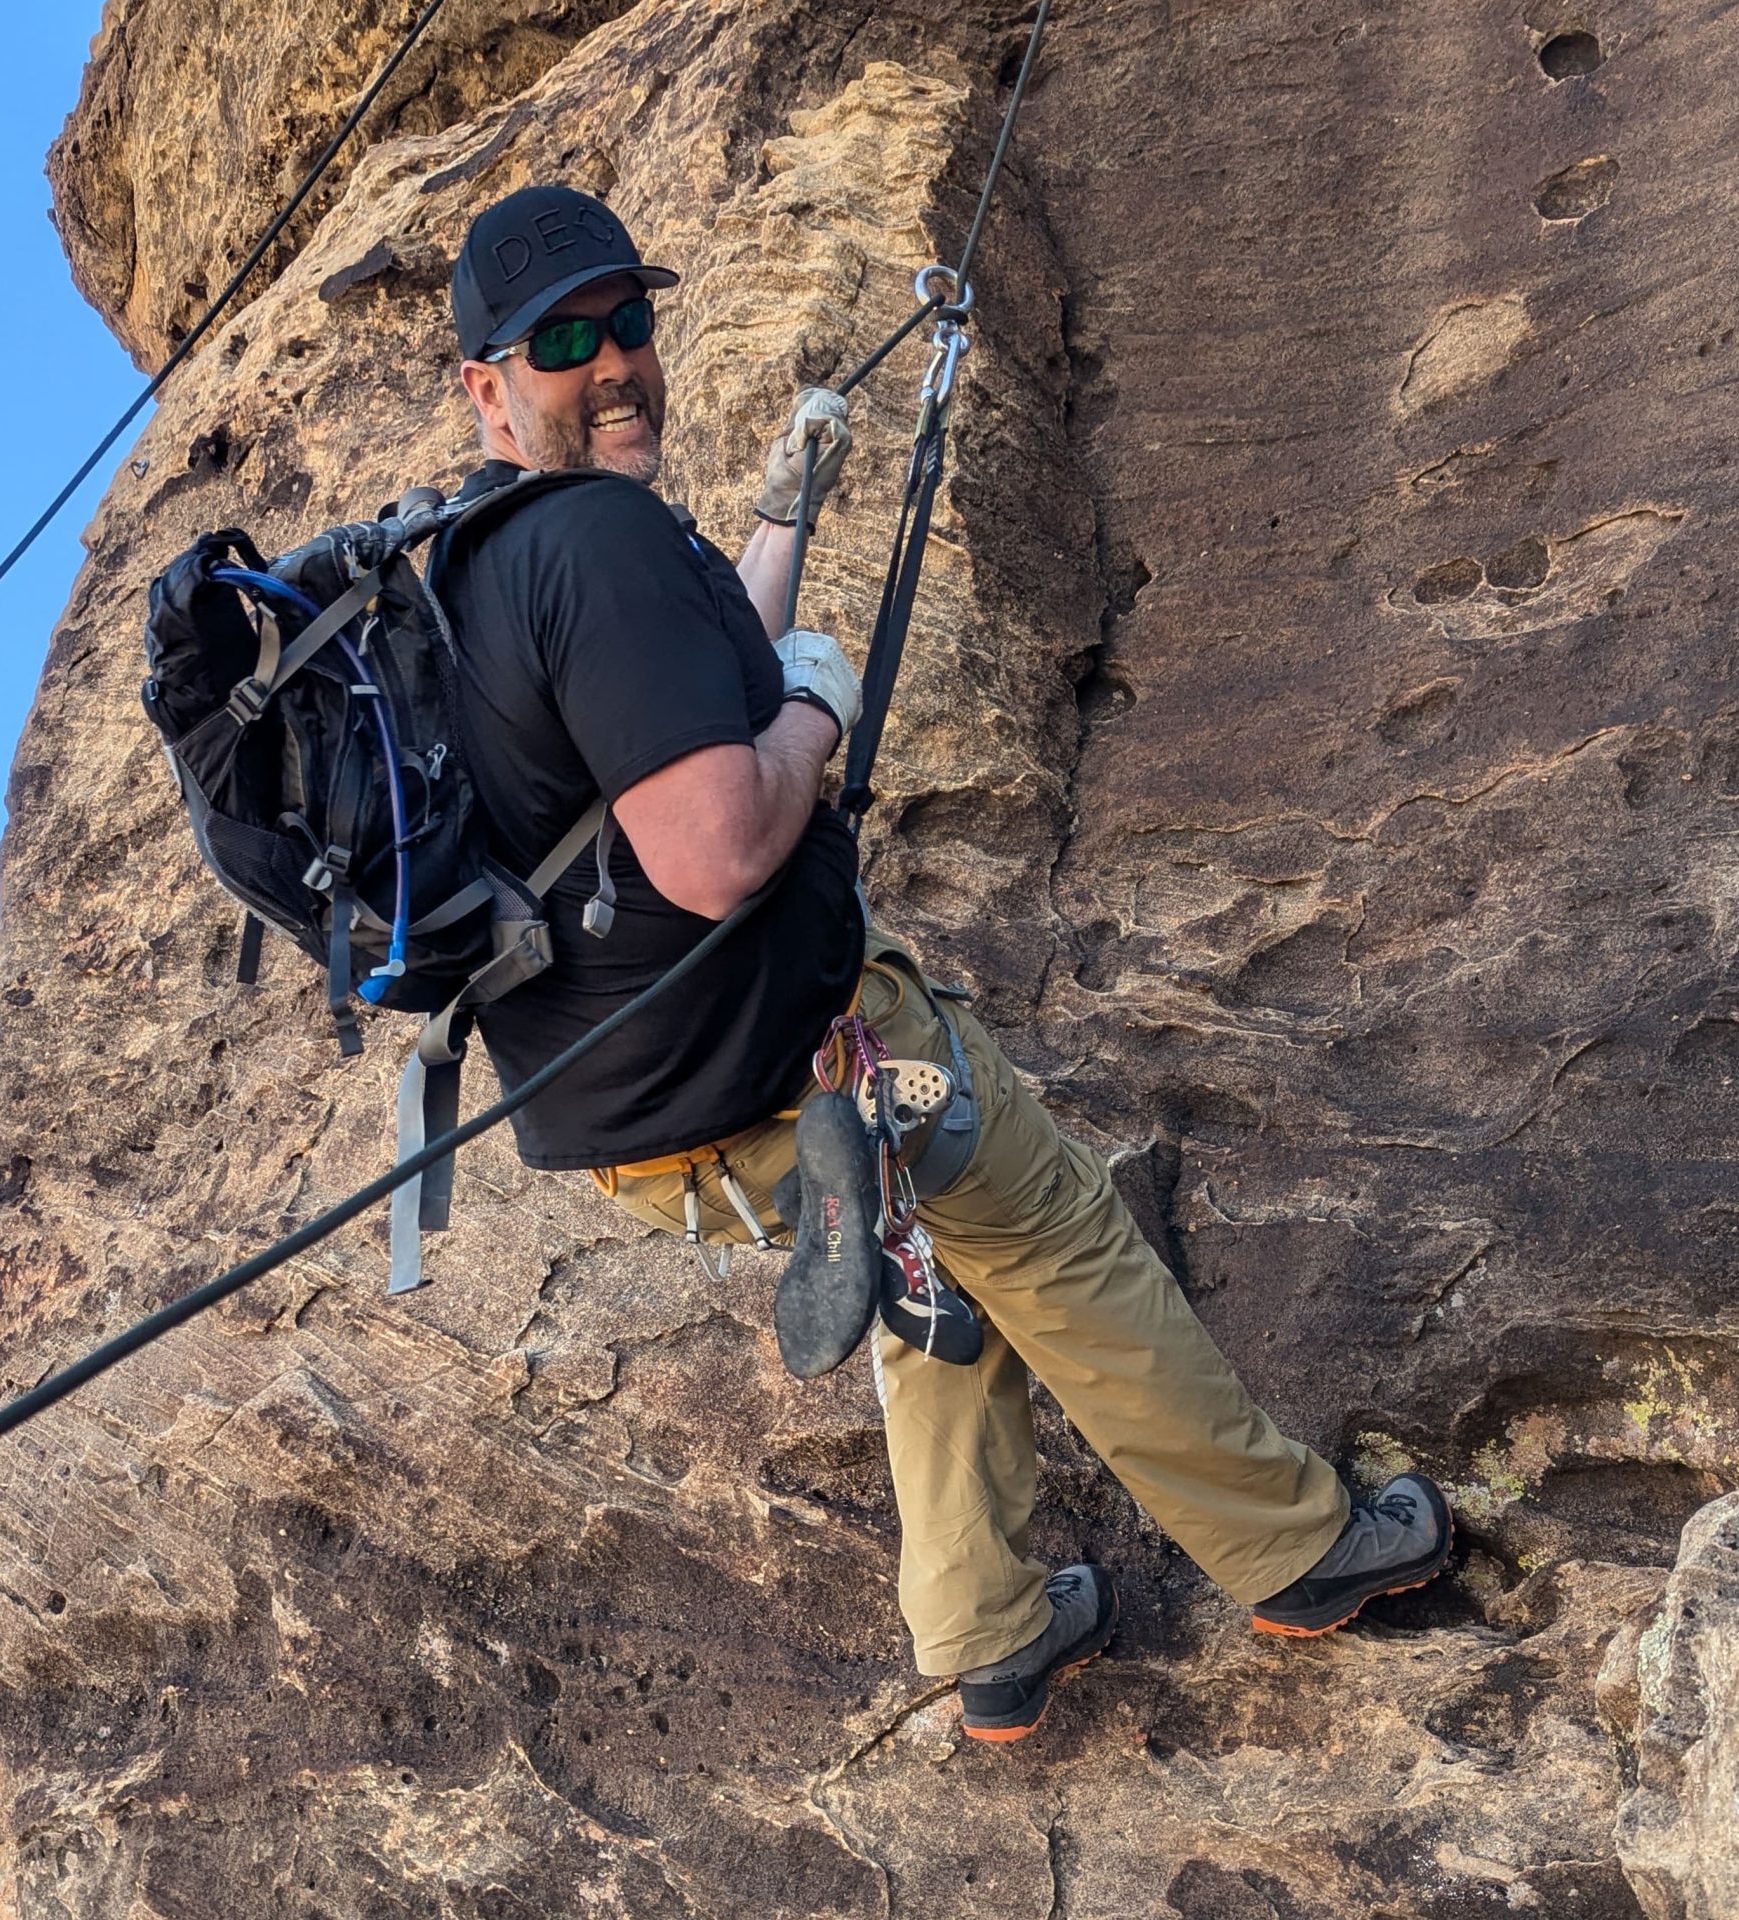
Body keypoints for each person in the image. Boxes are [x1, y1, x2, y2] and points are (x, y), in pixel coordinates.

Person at [434, 184, 1453, 1743]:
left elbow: (652, 729)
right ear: (486, 384)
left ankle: (990, 1636)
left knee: (922, 1256)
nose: (617, 359)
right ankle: (1302, 1550)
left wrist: (781, 523)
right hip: (787, 1048)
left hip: (634, 1113)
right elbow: (712, 845)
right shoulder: (595, 541)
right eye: (563, 339)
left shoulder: (466, 569)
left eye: (631, 317)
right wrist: (820, 717)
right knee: (1051, 1236)